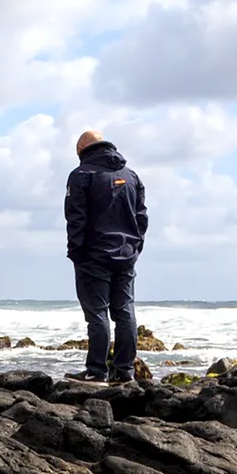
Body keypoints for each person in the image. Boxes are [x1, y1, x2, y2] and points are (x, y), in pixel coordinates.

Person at [64, 130, 147, 383]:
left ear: (81, 148)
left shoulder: (81, 175)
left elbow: (75, 217)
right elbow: (141, 216)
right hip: (126, 254)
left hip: (93, 255)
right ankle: (124, 372)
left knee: (97, 314)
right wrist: (135, 246)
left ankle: (96, 371)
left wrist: (75, 251)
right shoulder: (131, 176)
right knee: (125, 312)